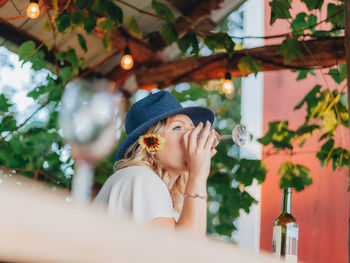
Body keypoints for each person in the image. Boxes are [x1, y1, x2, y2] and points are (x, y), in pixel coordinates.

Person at [94, 90, 218, 237]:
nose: (191, 135)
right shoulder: (139, 177)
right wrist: (198, 175)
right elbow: (182, 253)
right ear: (151, 144)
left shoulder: (168, 200)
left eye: (192, 128)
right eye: (177, 128)